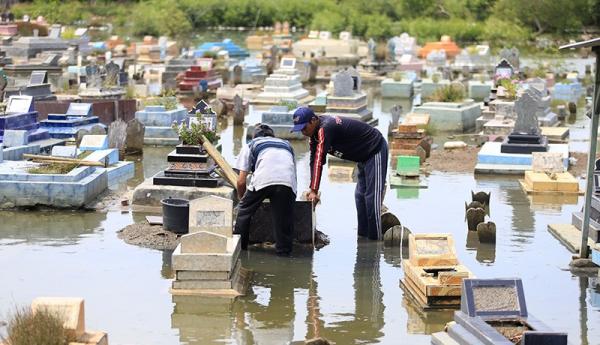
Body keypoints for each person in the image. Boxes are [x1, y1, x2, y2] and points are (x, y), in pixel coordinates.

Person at [291, 107, 388, 241]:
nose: (303, 132)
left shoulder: (325, 128)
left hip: (374, 150)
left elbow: (319, 161)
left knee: (372, 199)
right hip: (362, 157)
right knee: (360, 197)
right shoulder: (313, 135)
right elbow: (313, 160)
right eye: (300, 129)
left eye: (304, 128)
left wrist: (314, 190)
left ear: (313, 120)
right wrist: (312, 188)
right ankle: (363, 239)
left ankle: (375, 243)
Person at [234, 123, 297, 256]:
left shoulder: (252, 144)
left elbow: (240, 181)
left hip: (263, 179)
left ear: (255, 136)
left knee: (244, 213)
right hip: (287, 182)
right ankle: (284, 254)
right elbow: (292, 172)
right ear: (273, 136)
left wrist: (243, 200)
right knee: (284, 219)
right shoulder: (286, 145)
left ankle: (241, 250)